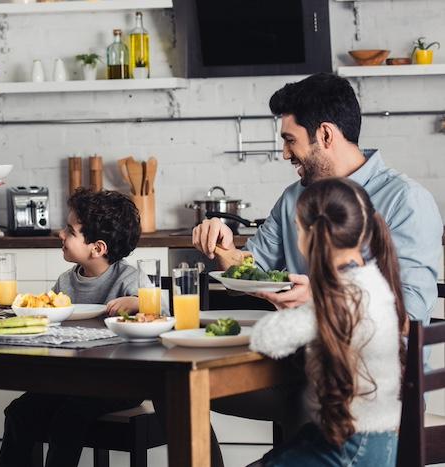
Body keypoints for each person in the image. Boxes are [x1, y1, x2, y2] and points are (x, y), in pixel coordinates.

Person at [189, 72, 441, 465]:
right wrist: (224, 247)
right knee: (188, 388)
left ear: (325, 135)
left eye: (290, 140)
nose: (285, 153)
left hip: (375, 391)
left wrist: (322, 302)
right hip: (298, 369)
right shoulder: (294, 197)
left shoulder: (405, 200)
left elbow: (412, 315)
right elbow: (251, 269)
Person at [247, 177, 406, 466]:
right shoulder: (373, 282)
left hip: (349, 449)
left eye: (297, 229)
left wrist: (289, 305)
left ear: (312, 235)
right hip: (381, 443)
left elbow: (265, 339)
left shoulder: (337, 298)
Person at [0, 188, 148, 467]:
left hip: (121, 382)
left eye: (70, 230)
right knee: (18, 412)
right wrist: (20, 310)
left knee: (69, 417)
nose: (60, 234)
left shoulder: (129, 278)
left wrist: (137, 302)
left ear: (97, 248)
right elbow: (47, 320)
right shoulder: (66, 281)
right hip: (72, 379)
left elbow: (159, 310)